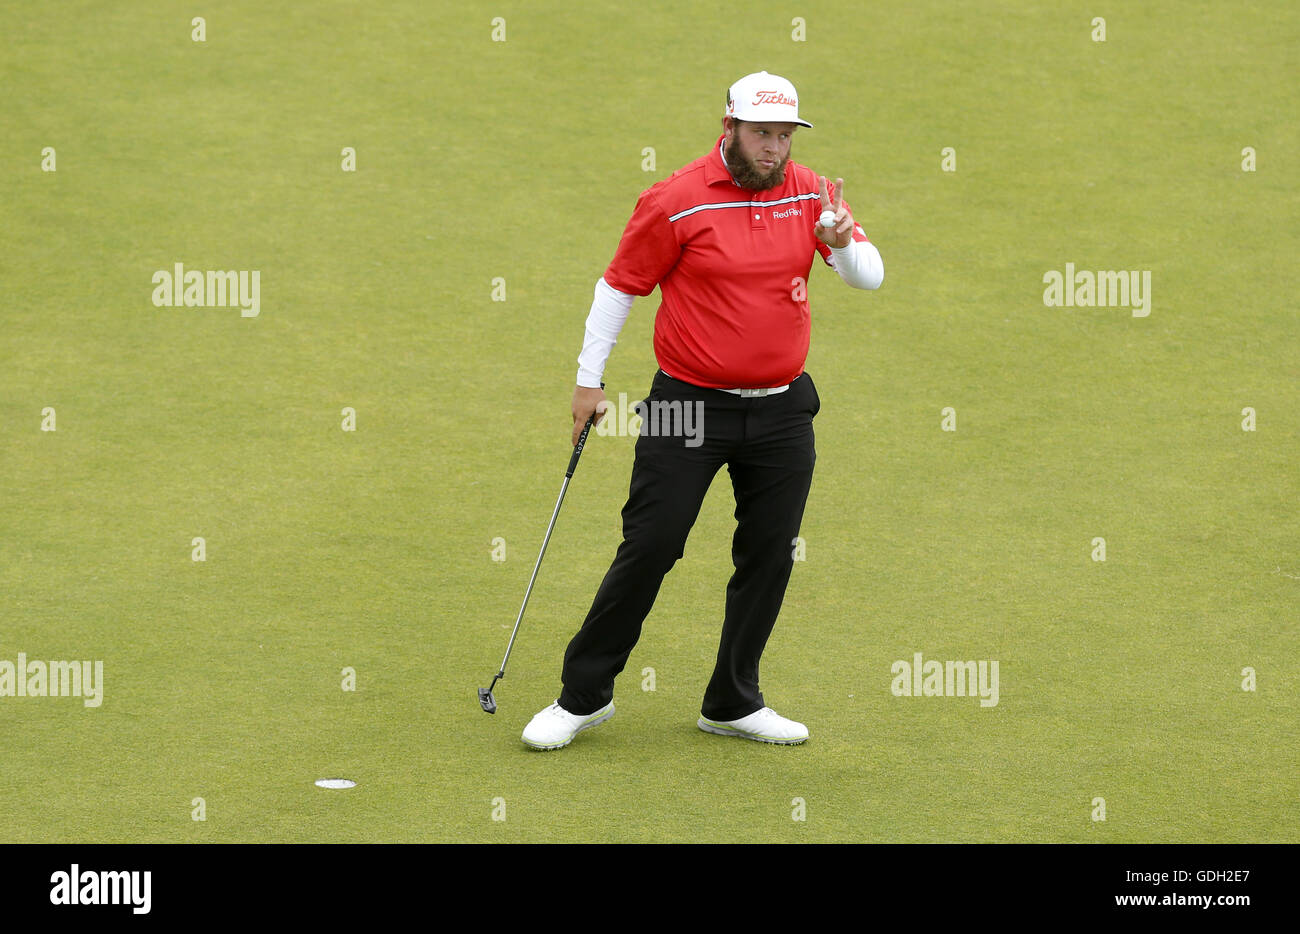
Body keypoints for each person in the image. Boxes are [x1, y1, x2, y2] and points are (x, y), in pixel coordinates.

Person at [522, 70, 884, 750]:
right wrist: (587, 382)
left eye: (783, 135)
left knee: (771, 554)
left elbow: (870, 277)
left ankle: (733, 700)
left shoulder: (813, 195)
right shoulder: (677, 200)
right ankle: (582, 697)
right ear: (730, 127)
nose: (773, 149)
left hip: (781, 412)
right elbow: (619, 286)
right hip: (685, 404)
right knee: (652, 544)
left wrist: (838, 242)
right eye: (761, 134)